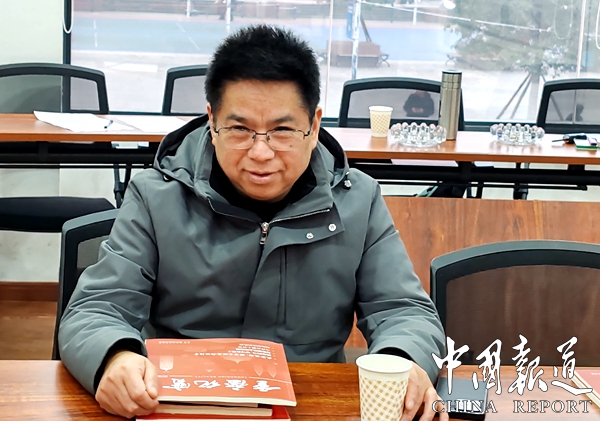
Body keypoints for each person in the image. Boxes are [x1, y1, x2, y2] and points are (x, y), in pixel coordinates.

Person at [59, 25, 447, 421]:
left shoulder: (357, 201)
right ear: (212, 122)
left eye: (282, 130)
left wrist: (404, 360)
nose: (260, 152)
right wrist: (115, 357)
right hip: (179, 402)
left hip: (309, 403)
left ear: (314, 126)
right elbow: (96, 309)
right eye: (240, 129)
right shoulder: (156, 196)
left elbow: (404, 311)